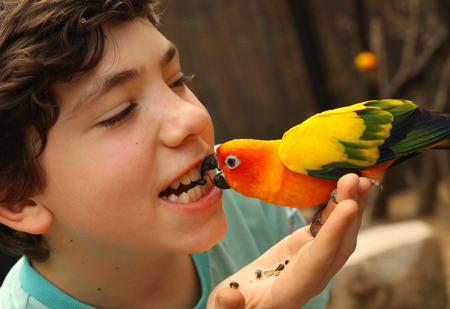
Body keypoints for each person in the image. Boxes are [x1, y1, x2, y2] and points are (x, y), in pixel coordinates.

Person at [0, 1, 372, 308]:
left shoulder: (251, 211)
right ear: (18, 199)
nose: (192, 116)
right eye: (119, 113)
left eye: (177, 81)